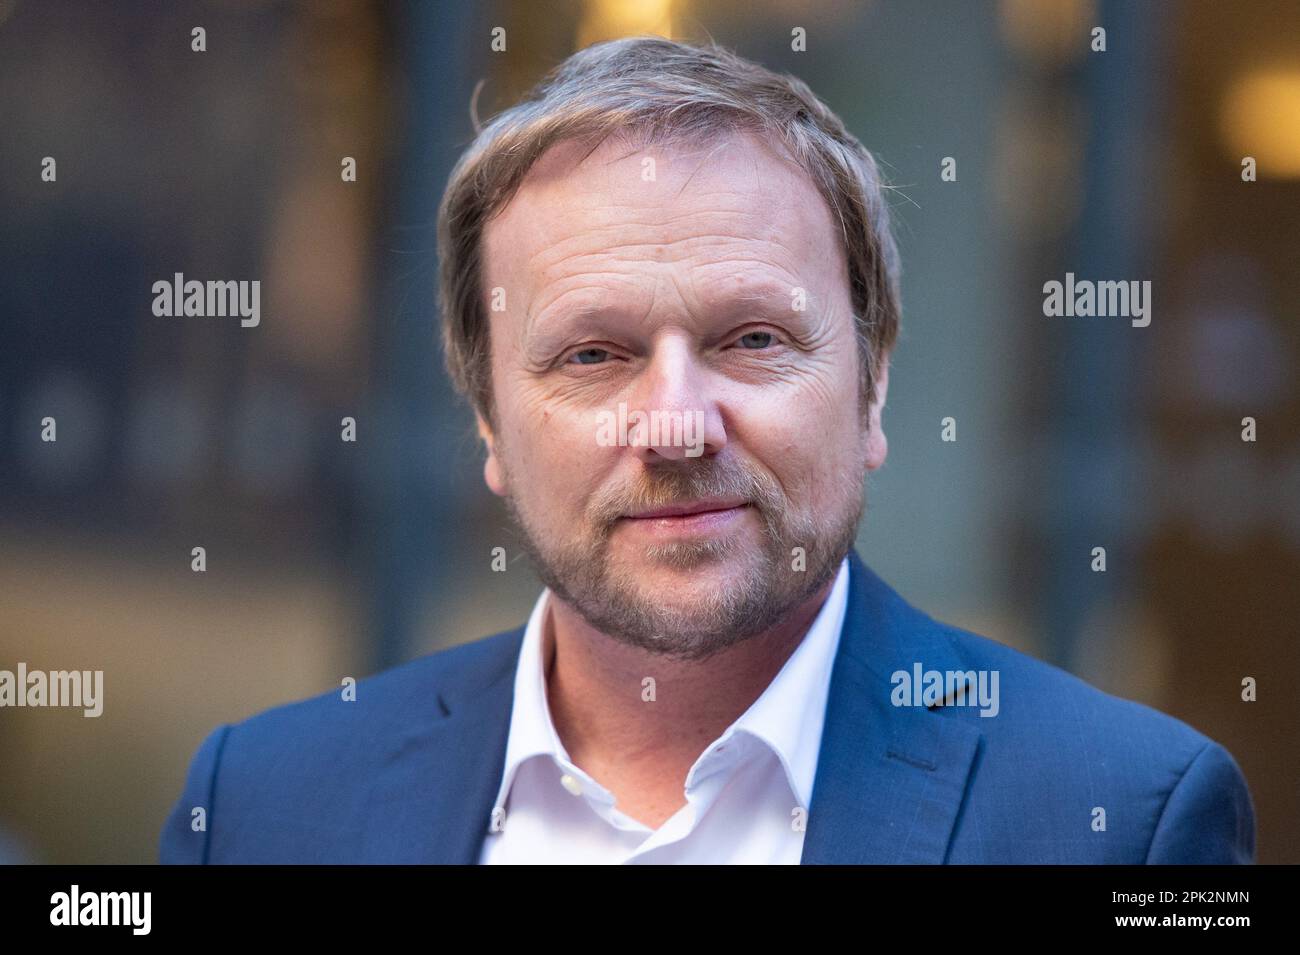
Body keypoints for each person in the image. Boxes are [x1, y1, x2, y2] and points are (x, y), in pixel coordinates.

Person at [160, 36, 1255, 864]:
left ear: (872, 383)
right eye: (592, 354)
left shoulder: (1127, 818)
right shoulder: (260, 807)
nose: (676, 426)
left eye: (752, 340)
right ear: (487, 422)